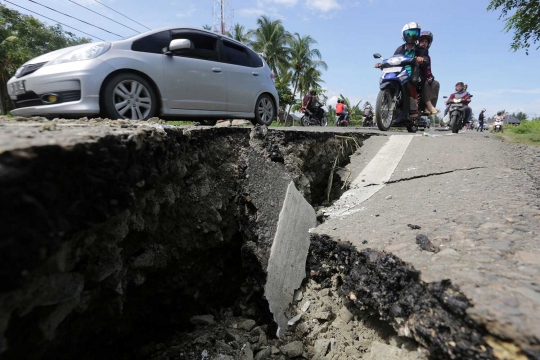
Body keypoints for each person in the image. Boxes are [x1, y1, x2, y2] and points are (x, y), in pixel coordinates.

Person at [376, 22, 429, 118]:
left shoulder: (421, 49)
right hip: (399, 71)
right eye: (409, 33)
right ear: (403, 35)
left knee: (411, 84)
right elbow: (393, 59)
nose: (411, 36)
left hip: (413, 72)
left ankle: (414, 109)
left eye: (415, 33)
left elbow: (426, 59)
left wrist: (422, 59)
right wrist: (382, 64)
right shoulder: (400, 49)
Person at [418, 31, 440, 115]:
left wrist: (431, 78)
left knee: (436, 84)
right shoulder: (415, 50)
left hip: (424, 78)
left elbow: (428, 70)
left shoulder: (426, 55)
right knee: (422, 81)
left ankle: (428, 108)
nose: (424, 43)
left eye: (426, 42)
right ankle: (430, 106)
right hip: (415, 76)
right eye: (422, 41)